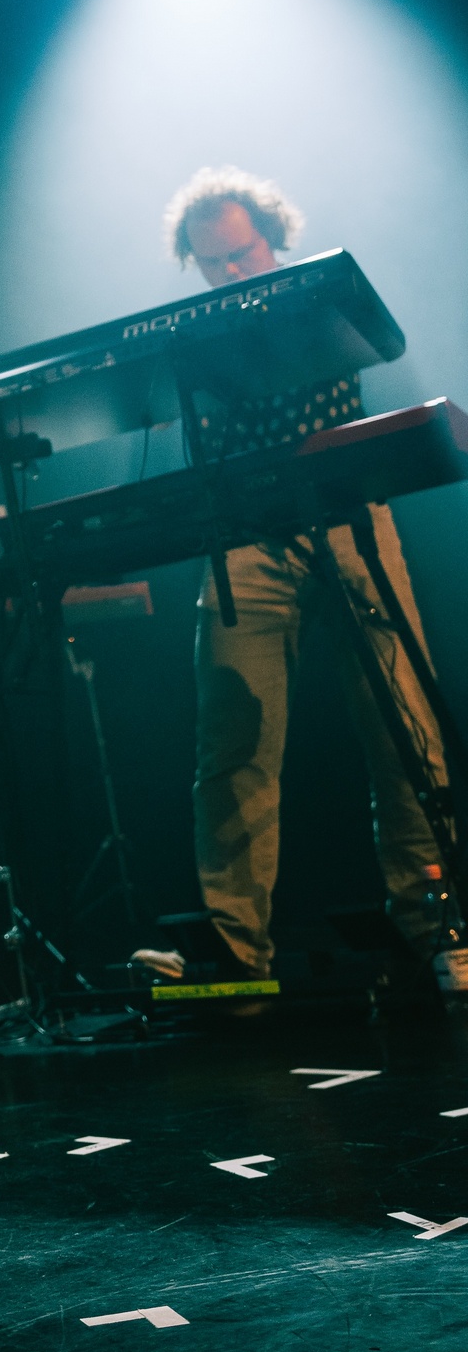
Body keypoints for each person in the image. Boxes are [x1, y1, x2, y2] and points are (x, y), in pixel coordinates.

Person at [135, 166, 448, 985]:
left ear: (273, 238)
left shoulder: (318, 296)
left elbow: (373, 344)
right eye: (213, 264)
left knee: (404, 724)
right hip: (242, 534)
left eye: (241, 255)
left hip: (347, 516)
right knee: (232, 740)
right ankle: (235, 948)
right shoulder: (188, 332)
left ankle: (436, 923)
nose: (230, 274)